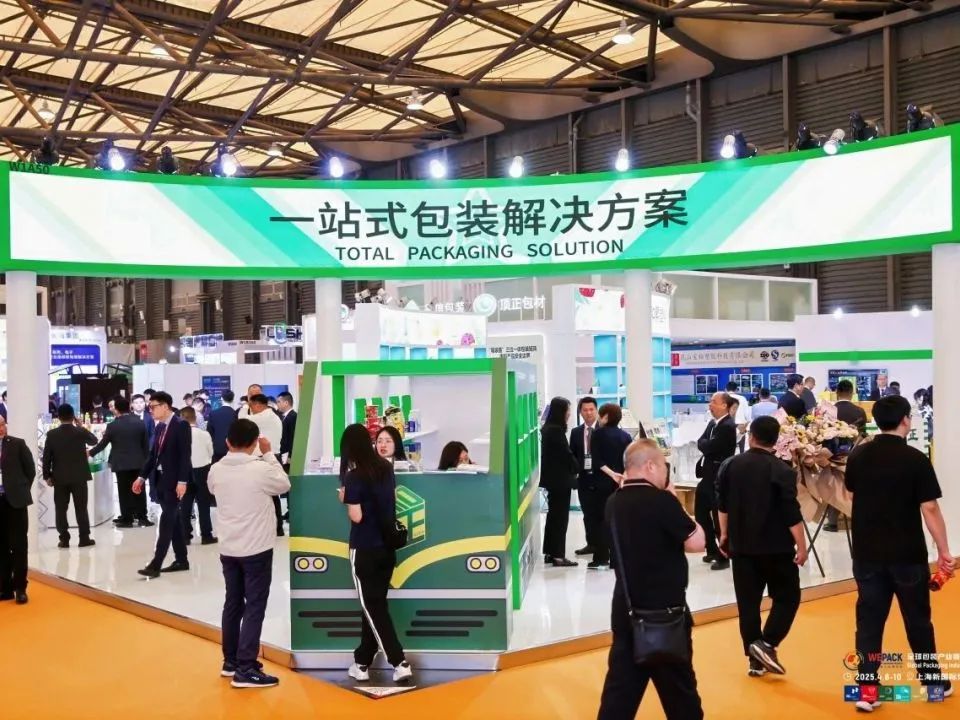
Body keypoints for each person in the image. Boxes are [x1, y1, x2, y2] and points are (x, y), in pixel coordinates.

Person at [844, 395, 955, 711]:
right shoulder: (915, 459)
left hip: (866, 553)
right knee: (918, 620)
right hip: (907, 554)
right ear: (906, 419)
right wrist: (944, 551)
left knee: (869, 622)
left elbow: (851, 494)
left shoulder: (858, 456)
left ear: (876, 421)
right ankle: (933, 684)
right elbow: (929, 507)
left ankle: (867, 690)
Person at [597, 439, 705, 720]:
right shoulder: (662, 502)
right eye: (664, 467)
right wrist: (675, 500)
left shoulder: (613, 503)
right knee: (681, 698)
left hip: (626, 610)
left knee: (619, 696)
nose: (666, 475)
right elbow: (697, 543)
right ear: (650, 466)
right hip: (664, 614)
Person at [717, 416, 808, 678]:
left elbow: (722, 504)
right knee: (788, 597)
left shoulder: (730, 465)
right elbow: (791, 513)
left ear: (751, 437)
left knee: (748, 604)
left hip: (742, 547)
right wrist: (802, 546)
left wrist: (724, 535)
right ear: (776, 440)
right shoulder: (783, 470)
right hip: (777, 547)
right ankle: (767, 643)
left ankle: (755, 661)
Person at [208, 419, 289, 688]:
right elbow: (284, 484)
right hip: (256, 549)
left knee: (233, 603)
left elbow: (212, 490)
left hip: (228, 548)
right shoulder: (260, 469)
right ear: (255, 443)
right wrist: (269, 453)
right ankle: (246, 668)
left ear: (227, 442)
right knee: (254, 605)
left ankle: (230, 661)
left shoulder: (216, 470)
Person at [337, 423, 413, 685]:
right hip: (386, 548)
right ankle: (362, 662)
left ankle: (399, 662)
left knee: (372, 607)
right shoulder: (386, 468)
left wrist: (345, 499)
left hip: (364, 549)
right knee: (373, 605)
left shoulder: (353, 477)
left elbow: (357, 516)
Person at [133, 391, 192, 579]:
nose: (150, 410)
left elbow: (185, 455)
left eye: (153, 406)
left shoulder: (181, 425)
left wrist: (182, 481)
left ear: (165, 406)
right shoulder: (159, 427)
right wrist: (141, 477)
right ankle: (182, 560)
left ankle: (156, 563)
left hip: (175, 482)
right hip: (161, 480)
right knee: (173, 520)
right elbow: (153, 456)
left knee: (166, 521)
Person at [88, 396, 151, 528]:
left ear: (116, 409)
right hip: (138, 462)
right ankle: (142, 518)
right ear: (130, 407)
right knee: (139, 490)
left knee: (124, 491)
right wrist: (147, 462)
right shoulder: (140, 423)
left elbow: (103, 444)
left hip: (121, 463)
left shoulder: (112, 426)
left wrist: (90, 452)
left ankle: (127, 519)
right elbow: (145, 445)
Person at [42, 404, 99, 549]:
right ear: (73, 416)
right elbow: (94, 441)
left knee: (61, 509)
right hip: (79, 476)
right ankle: (84, 538)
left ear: (58, 417)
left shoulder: (52, 434)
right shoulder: (80, 432)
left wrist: (47, 475)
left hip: (59, 477)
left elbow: (46, 457)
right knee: (81, 508)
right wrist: (81, 426)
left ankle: (64, 539)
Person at [588, 403, 632, 570]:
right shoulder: (626, 436)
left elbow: (596, 460)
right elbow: (629, 461)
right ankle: (616, 559)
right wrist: (622, 476)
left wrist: (612, 473)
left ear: (605, 417)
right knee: (617, 520)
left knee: (601, 520)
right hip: (620, 484)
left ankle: (601, 557)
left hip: (601, 482)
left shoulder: (597, 434)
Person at [695, 393, 737, 571]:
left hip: (718, 478)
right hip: (707, 476)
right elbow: (700, 442)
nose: (710, 405)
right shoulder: (713, 423)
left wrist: (706, 445)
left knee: (718, 517)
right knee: (700, 513)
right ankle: (711, 548)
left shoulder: (727, 426)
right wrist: (706, 444)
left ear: (724, 405)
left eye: (714, 402)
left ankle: (723, 555)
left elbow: (711, 447)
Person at [0, 416, 37, 605]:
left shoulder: (17, 444)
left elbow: (30, 470)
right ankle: (5, 588)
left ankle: (20, 588)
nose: (1, 428)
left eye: (2, 424)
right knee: (1, 547)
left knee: (19, 546)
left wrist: (20, 489)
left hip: (15, 501)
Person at [824, 379, 869, 532]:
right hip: (854, 455)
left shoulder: (828, 411)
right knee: (855, 488)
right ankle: (857, 518)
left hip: (832, 456)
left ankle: (832, 522)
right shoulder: (859, 411)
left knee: (833, 486)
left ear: (836, 393)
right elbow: (863, 435)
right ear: (852, 393)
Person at [539, 397, 579, 568]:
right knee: (560, 519)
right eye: (567, 410)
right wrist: (577, 467)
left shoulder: (547, 428)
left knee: (553, 516)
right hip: (560, 480)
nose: (569, 413)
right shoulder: (556, 431)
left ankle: (550, 552)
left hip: (553, 480)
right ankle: (558, 556)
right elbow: (566, 454)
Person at [247, 394, 284, 536]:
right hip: (271, 456)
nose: (250, 409)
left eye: (251, 405)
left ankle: (276, 527)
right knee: (271, 494)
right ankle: (277, 527)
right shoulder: (272, 416)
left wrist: (244, 408)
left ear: (258, 405)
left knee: (269, 495)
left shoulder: (264, 417)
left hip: (266, 457)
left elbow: (243, 420)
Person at [179, 407, 216, 546]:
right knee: (204, 504)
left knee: (185, 504)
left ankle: (185, 536)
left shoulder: (178, 435)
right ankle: (206, 535)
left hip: (184, 472)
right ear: (195, 417)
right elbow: (211, 453)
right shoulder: (204, 434)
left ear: (182, 418)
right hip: (202, 471)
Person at [570, 397, 600, 558]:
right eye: (585, 410)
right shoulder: (575, 432)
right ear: (580, 412)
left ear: (596, 410)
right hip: (583, 479)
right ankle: (592, 544)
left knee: (602, 514)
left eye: (591, 409)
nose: (588, 413)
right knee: (588, 514)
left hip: (602, 478)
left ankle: (605, 546)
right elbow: (573, 456)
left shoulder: (603, 430)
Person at [208, 390, 238, 463]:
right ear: (232, 400)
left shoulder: (213, 413)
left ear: (221, 398)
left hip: (217, 448)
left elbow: (209, 432)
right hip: (232, 448)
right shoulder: (235, 414)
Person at [725, 381, 750, 451]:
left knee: (727, 445)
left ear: (726, 389)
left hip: (726, 424)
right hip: (740, 424)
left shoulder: (723, 398)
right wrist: (747, 424)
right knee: (742, 447)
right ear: (736, 389)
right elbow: (747, 414)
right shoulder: (742, 398)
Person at [277, 392, 297, 470]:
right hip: (284, 455)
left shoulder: (293, 416)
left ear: (286, 403)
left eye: (279, 402)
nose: (277, 404)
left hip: (288, 456)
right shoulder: (284, 417)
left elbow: (293, 438)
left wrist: (290, 456)